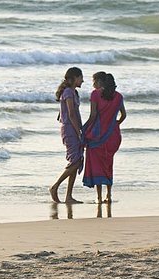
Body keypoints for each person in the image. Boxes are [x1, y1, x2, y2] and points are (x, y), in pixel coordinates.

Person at [82, 73, 127, 203]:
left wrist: (83, 129)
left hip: (98, 135)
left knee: (97, 165)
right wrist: (116, 124)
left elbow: (93, 116)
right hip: (113, 136)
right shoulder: (118, 96)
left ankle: (99, 197)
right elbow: (123, 115)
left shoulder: (95, 94)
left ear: (100, 82)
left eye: (94, 81)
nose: (93, 84)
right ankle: (109, 195)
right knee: (108, 164)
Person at [49, 67, 84, 204]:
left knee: (76, 161)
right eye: (81, 77)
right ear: (74, 78)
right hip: (70, 130)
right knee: (75, 161)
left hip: (72, 128)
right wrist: (78, 131)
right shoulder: (68, 92)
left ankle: (69, 196)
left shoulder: (73, 92)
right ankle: (55, 186)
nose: (83, 80)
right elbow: (70, 114)